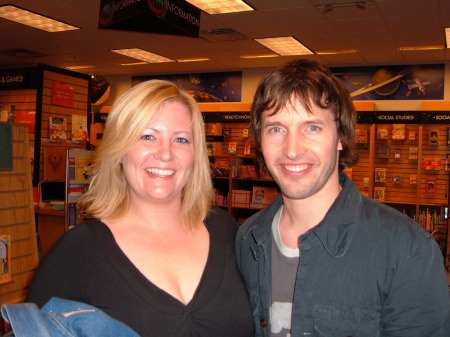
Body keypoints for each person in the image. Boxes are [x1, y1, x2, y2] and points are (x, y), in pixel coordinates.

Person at [235, 59, 450, 337]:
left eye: (312, 127)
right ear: (260, 141)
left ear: (340, 137)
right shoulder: (247, 239)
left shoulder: (407, 250)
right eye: (276, 128)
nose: (291, 149)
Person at [27, 80, 254, 337]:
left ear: (196, 155)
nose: (165, 153)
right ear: (119, 150)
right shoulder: (79, 251)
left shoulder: (226, 232)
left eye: (181, 139)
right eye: (147, 136)